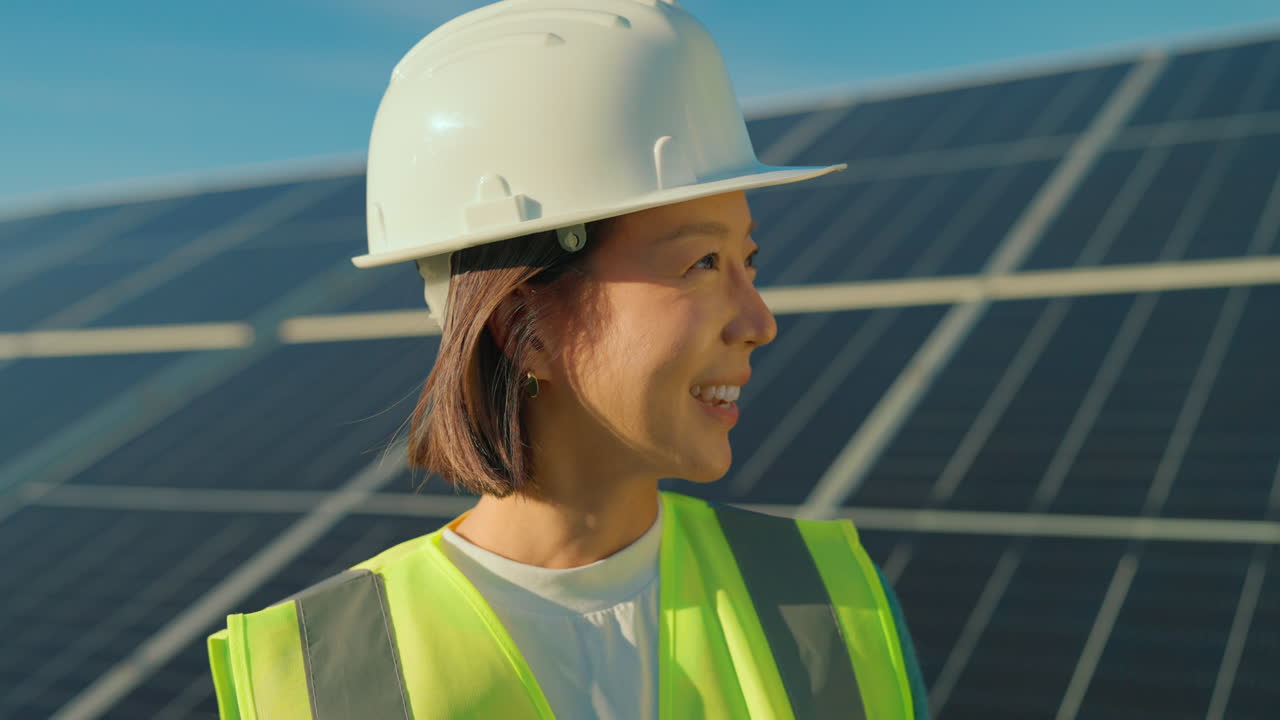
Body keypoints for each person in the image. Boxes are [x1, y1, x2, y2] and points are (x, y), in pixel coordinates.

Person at [208, 0, 929, 717]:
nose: (759, 322)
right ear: (524, 327)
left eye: (749, 260)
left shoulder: (835, 600)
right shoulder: (321, 676)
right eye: (703, 263)